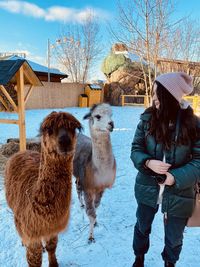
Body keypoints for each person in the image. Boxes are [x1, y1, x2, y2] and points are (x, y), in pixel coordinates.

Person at [130, 72, 200, 267]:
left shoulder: (193, 124)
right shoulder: (147, 119)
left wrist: (174, 178)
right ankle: (139, 258)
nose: (153, 98)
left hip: (179, 191)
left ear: (170, 95)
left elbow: (199, 161)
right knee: (142, 227)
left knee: (174, 237)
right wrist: (147, 163)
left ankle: (170, 263)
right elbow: (136, 149)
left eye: (157, 93)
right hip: (147, 187)